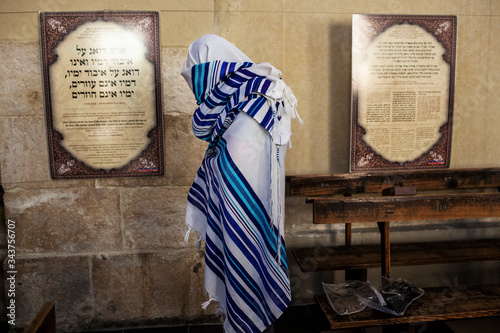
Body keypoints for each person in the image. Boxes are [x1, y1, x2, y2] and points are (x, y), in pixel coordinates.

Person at [181, 34, 302, 333]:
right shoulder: (239, 101)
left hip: (251, 207)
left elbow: (242, 162)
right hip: (238, 206)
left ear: (212, 68)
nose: (198, 88)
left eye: (197, 75)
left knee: (250, 272)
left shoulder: (256, 101)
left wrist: (216, 166)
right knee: (243, 273)